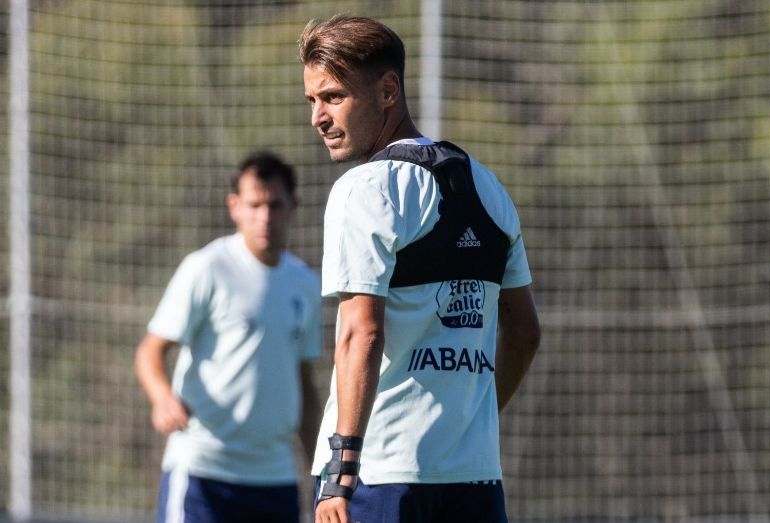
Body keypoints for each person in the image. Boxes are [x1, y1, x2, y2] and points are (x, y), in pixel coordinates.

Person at [299, 15, 541, 523]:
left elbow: (360, 334)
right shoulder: (490, 188)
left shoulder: (366, 190)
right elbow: (524, 331)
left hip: (380, 476)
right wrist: (472, 420)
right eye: (312, 101)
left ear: (388, 90)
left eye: (334, 97)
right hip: (475, 479)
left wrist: (341, 473)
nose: (318, 116)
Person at [134, 151, 323, 523]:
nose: (264, 216)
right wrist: (161, 398)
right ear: (234, 206)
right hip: (203, 469)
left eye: (274, 205)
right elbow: (150, 351)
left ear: (293, 206)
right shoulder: (206, 268)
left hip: (275, 477)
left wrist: (321, 471)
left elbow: (304, 386)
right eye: (254, 205)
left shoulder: (306, 285)